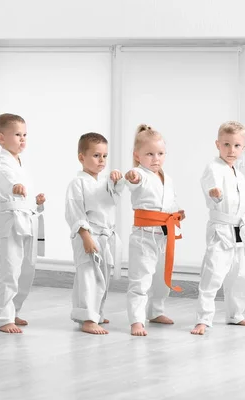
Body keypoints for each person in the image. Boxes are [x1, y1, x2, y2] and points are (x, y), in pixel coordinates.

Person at [191, 121, 245, 336]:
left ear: (243, 147)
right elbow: (210, 183)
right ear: (217, 144)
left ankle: (235, 314)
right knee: (213, 274)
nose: (231, 150)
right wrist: (214, 192)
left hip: (239, 229)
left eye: (236, 146)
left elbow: (240, 195)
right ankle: (203, 319)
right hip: (221, 230)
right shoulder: (214, 167)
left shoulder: (237, 172)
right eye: (226, 144)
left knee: (242, 276)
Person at [124, 124, 186, 337]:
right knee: (141, 279)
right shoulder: (138, 174)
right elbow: (133, 179)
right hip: (144, 236)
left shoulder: (166, 178)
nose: (155, 158)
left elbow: (170, 202)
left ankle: (156, 311)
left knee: (161, 277)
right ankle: (136, 320)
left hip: (164, 234)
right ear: (137, 156)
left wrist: (177, 213)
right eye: (149, 154)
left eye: (160, 153)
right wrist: (132, 176)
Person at [0, 113, 46, 334]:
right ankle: (4, 318)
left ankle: (14, 310)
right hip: (11, 221)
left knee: (27, 270)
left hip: (28, 218)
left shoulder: (19, 162)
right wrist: (15, 187)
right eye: (17, 135)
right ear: (1, 138)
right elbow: (8, 182)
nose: (23, 139)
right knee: (10, 270)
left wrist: (37, 203)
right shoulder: (0, 164)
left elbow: (26, 195)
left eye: (25, 135)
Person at [65, 133, 124, 335]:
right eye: (96, 156)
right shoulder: (77, 183)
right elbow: (75, 212)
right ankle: (87, 318)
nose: (102, 161)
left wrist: (116, 179)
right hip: (88, 235)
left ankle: (96, 312)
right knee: (88, 276)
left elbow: (114, 196)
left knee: (103, 276)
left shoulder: (102, 182)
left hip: (105, 236)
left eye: (105, 156)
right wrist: (86, 236)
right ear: (82, 157)